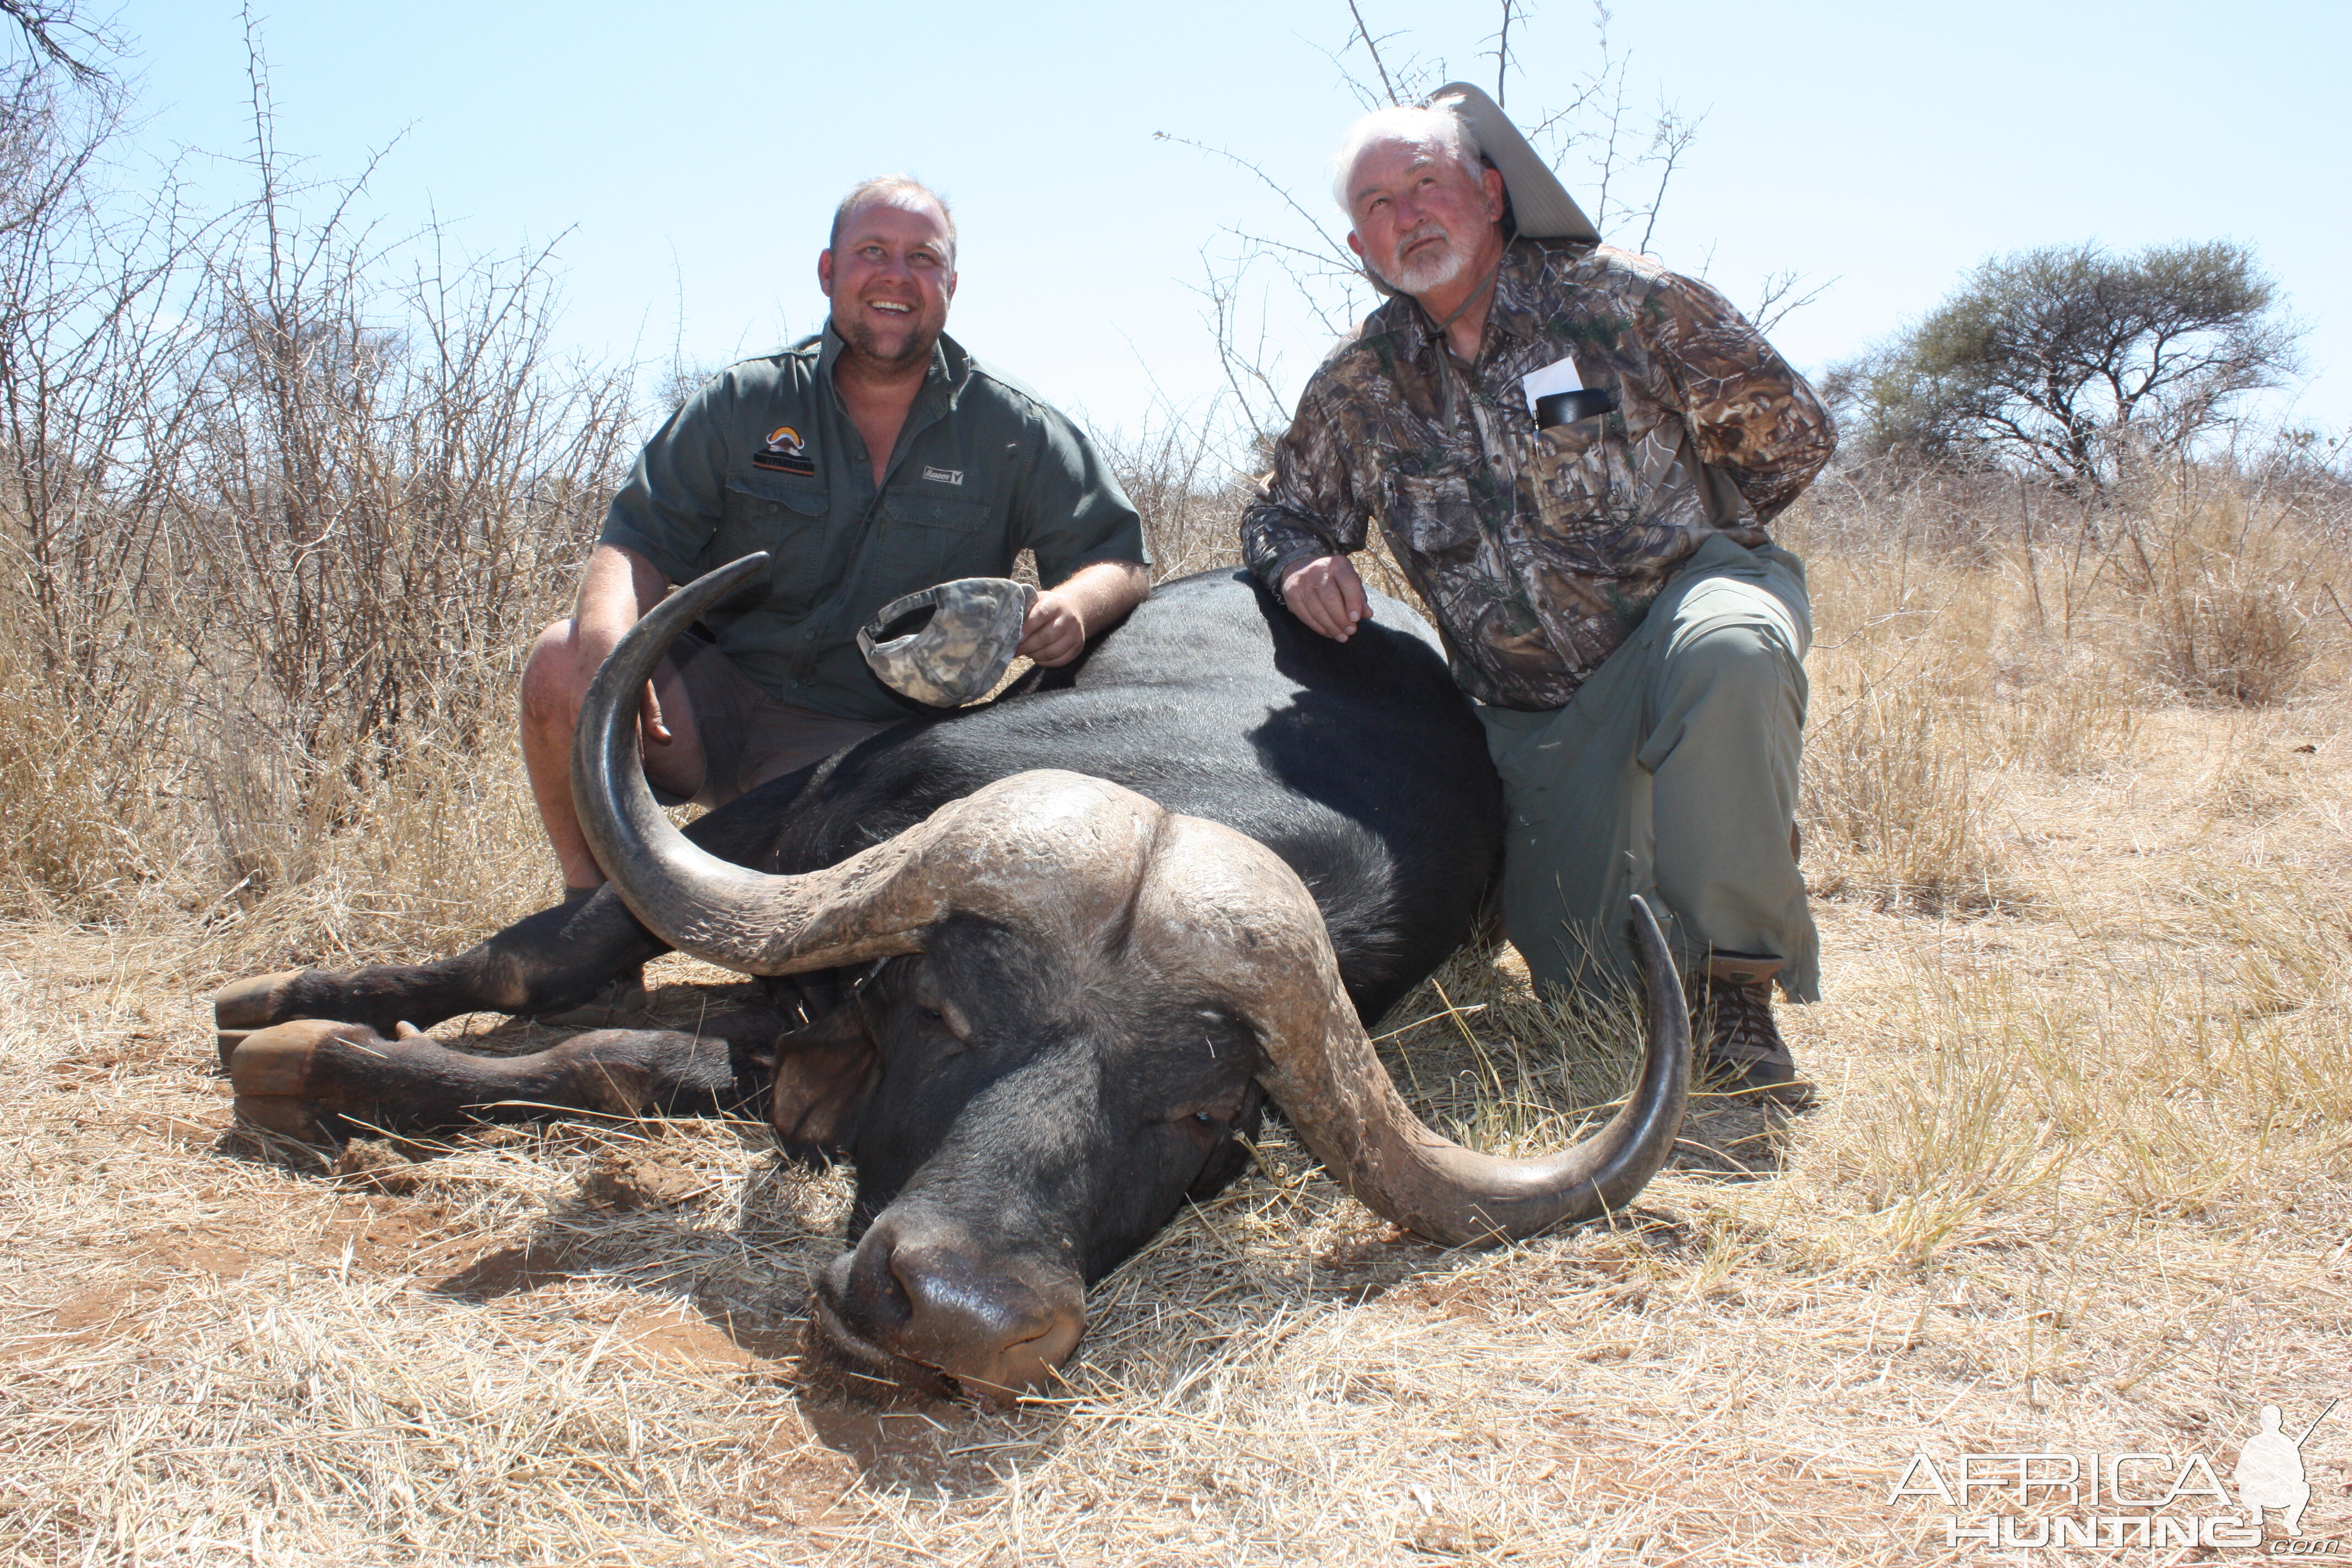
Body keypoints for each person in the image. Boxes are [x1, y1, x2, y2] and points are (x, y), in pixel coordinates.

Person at [1240, 86, 1836, 1103]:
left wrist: (1702, 540)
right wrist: (1299, 561)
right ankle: (1634, 866)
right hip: (1535, 714)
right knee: (1590, 1000)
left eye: (1427, 183)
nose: (1408, 215)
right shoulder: (1359, 384)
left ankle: (1739, 980)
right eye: (1378, 204)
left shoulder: (1621, 299)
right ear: (1357, 243)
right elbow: (1280, 513)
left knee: (1730, 654)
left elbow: (1791, 436)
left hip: (1681, 615)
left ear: (1489, 192)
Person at [522, 175, 1151, 902]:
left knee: (831, 911)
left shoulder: (1014, 428)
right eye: (873, 251)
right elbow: (633, 545)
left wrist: (1074, 603)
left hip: (856, 748)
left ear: (951, 281)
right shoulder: (743, 402)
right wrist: (611, 654)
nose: (897, 275)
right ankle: (583, 917)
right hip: (707, 704)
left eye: (923, 258)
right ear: (829, 272)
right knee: (562, 660)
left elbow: (1120, 561)